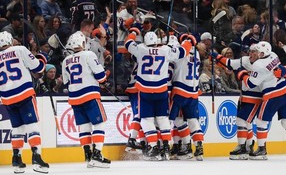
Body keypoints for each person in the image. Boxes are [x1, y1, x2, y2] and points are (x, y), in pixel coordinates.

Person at [124, 28, 194, 160]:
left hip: (144, 90)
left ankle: (153, 145)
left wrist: (134, 32)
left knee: (146, 119)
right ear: (157, 41)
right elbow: (183, 51)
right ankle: (166, 146)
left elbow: (128, 43)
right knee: (162, 119)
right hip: (161, 90)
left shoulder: (140, 49)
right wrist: (188, 41)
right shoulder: (165, 50)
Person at [0, 31, 49, 173]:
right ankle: (36, 156)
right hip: (24, 93)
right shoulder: (20, 49)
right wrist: (42, 57)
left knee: (17, 128)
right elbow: (38, 68)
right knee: (32, 125)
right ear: (10, 41)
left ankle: (16, 159)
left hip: (7, 98)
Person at [62, 31, 111, 168]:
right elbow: (101, 77)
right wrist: (103, 78)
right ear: (83, 43)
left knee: (84, 126)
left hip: (74, 98)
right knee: (99, 123)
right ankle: (97, 154)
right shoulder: (89, 54)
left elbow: (66, 83)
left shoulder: (66, 61)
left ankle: (88, 155)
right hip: (89, 95)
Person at [169, 33, 204, 161]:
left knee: (170, 119)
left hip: (180, 90)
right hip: (193, 92)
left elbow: (175, 54)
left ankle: (168, 146)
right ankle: (198, 147)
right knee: (192, 121)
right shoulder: (197, 54)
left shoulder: (182, 51)